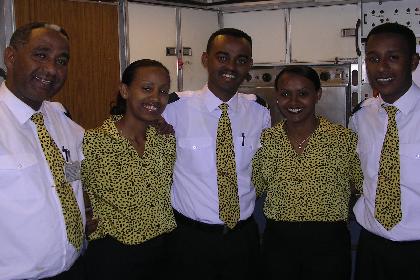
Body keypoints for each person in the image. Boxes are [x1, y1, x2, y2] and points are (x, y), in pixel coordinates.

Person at [163, 28, 270, 280]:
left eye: (241, 60)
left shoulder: (259, 113)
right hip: (190, 239)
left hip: (242, 237)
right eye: (222, 57)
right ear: (205, 59)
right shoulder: (174, 109)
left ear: (249, 65)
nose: (231, 66)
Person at [252, 65, 363, 280]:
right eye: (285, 94)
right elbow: (253, 187)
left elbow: (362, 184)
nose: (293, 102)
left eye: (303, 94)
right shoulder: (266, 140)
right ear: (277, 97)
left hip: (329, 245)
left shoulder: (343, 139)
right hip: (279, 244)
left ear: (318, 95)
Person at [0, 22, 86, 279]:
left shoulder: (64, 123)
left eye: (61, 60)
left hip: (74, 268)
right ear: (11, 57)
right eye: (40, 55)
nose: (51, 69)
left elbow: (74, 177)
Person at [81, 59, 176, 280]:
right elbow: (72, 182)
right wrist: (82, 215)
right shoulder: (94, 141)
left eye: (163, 91)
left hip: (164, 250)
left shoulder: (165, 139)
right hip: (114, 255)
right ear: (125, 90)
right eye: (146, 88)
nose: (155, 97)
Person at [349, 23, 420, 280]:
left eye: (393, 57)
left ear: (413, 61)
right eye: (373, 58)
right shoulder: (361, 117)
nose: (382, 67)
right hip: (372, 247)